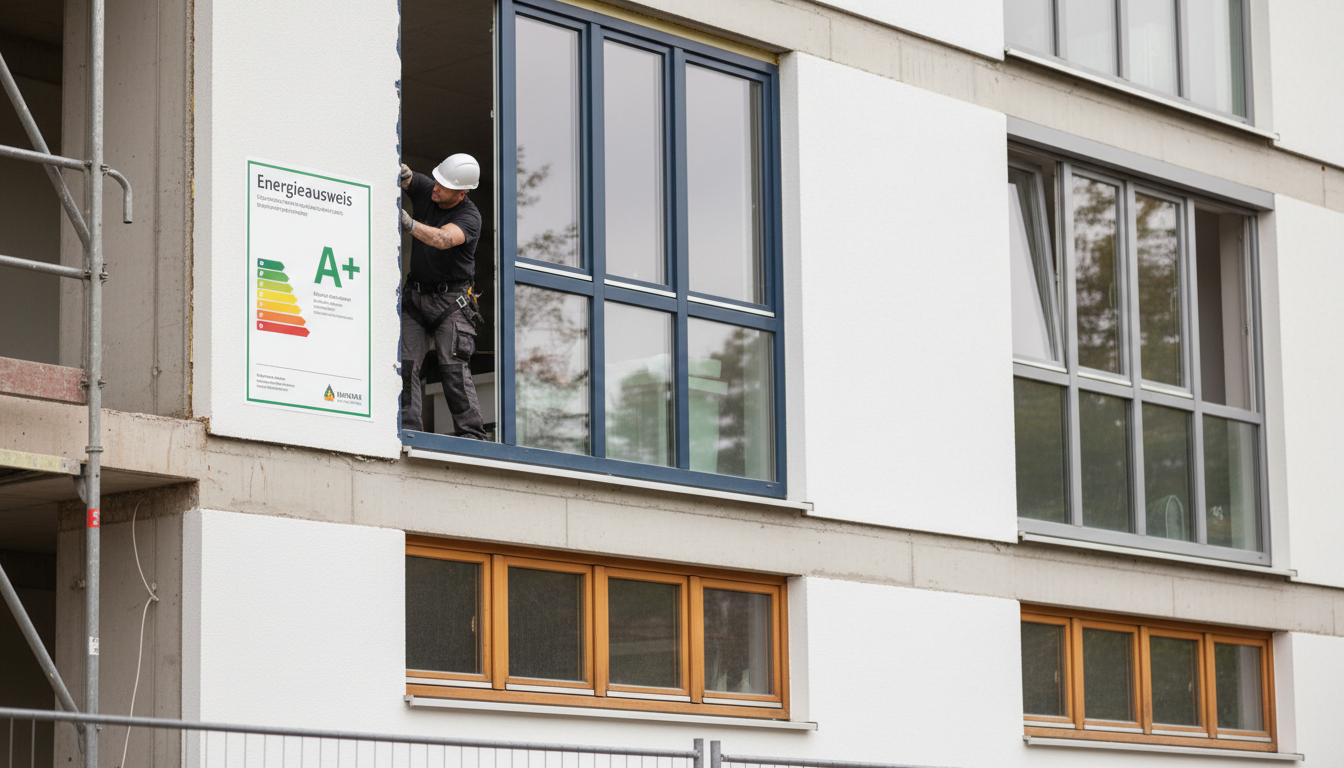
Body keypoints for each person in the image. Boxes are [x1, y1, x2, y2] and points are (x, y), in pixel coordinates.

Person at [399, 153, 487, 439]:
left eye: (443, 186)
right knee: (406, 364)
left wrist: (409, 224)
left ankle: (472, 437)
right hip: (417, 297)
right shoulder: (431, 190)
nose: (435, 188)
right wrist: (401, 172)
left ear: (462, 193)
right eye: (436, 181)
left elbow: (442, 239)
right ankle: (408, 429)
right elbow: (410, 179)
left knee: (453, 371)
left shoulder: (469, 218)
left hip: (451, 303)